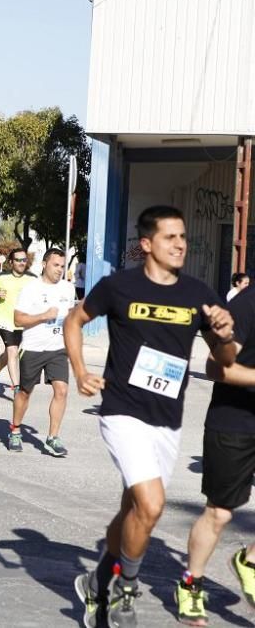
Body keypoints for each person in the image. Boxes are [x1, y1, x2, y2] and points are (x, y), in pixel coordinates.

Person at [66, 206, 236, 628]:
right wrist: (81, 372)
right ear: (146, 244)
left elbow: (226, 358)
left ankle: (96, 582)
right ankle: (126, 591)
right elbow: (74, 320)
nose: (180, 244)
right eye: (169, 237)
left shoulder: (199, 294)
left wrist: (224, 331)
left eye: (182, 237)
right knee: (152, 504)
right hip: (122, 411)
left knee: (133, 512)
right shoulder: (118, 286)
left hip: (167, 418)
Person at [173, 284, 255, 625]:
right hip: (235, 421)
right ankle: (191, 584)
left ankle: (249, 562)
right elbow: (215, 367)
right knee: (220, 514)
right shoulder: (248, 305)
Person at [6, 247, 76, 456]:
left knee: (61, 390)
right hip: (33, 348)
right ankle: (16, 429)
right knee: (25, 393)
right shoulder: (31, 289)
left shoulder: (68, 289)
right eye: (56, 265)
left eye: (63, 266)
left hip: (58, 349)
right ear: (44, 264)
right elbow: (18, 319)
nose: (59, 270)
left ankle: (52, 437)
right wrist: (43, 316)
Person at [0, 248, 36, 397]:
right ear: (11, 262)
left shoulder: (32, 279)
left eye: (24, 260)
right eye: (18, 260)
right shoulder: (2, 278)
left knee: (10, 352)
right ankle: (17, 388)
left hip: (23, 322)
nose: (21, 263)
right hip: (5, 320)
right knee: (13, 351)